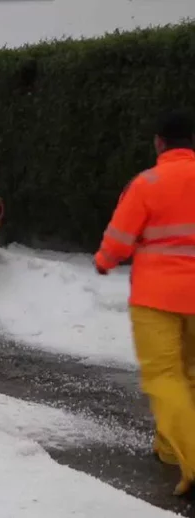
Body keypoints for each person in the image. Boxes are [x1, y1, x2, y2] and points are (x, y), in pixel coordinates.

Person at [94, 109, 195, 497]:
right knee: (190, 374)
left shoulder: (147, 183)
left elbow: (120, 238)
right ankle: (169, 449)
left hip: (158, 298)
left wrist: (104, 260)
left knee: (165, 377)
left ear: (159, 142)